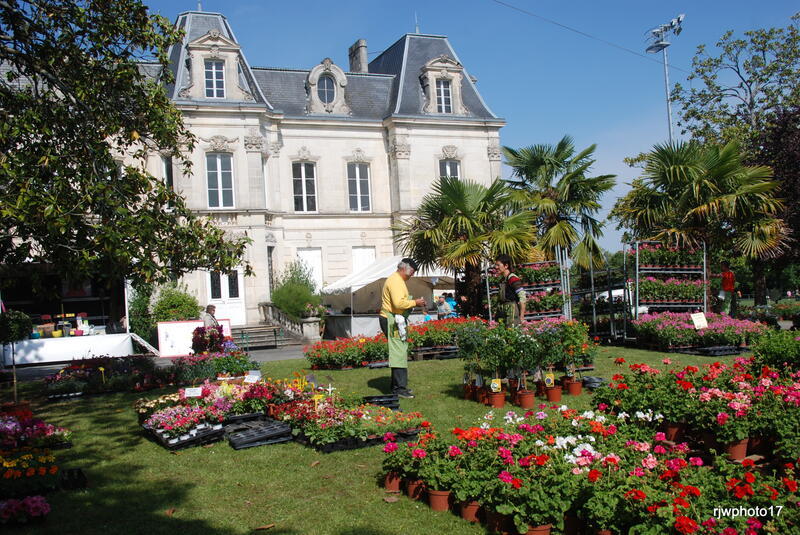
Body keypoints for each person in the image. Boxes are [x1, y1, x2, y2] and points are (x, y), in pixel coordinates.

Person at [379, 258, 426, 399]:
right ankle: (399, 389)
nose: (412, 274)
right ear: (404, 268)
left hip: (393, 319)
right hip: (391, 319)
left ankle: (396, 386)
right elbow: (398, 303)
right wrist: (415, 302)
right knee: (399, 353)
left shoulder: (397, 280)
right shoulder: (395, 281)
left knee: (399, 351)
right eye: (412, 271)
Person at [494, 255, 526, 324]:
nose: (496, 267)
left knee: (511, 332)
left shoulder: (513, 278)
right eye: (495, 265)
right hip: (502, 310)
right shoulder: (502, 280)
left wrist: (522, 317)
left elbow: (522, 297)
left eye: (498, 265)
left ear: (506, 266)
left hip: (512, 310)